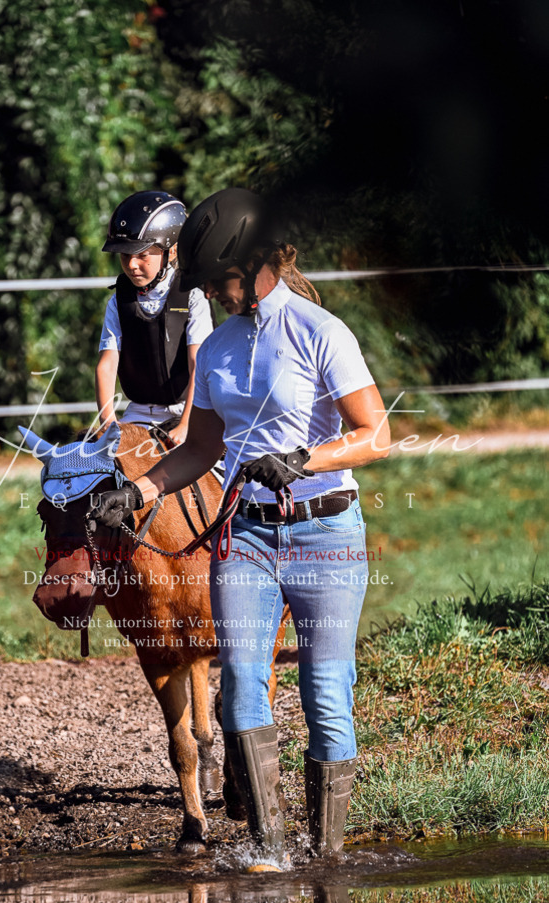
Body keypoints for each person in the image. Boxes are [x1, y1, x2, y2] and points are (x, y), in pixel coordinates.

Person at [91, 188, 390, 866]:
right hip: (246, 536)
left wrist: (304, 458)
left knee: (324, 694)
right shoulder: (222, 345)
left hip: (325, 535)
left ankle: (328, 857)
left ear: (254, 264)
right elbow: (200, 451)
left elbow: (377, 434)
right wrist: (134, 492)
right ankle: (269, 848)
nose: (216, 294)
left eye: (220, 281)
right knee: (241, 691)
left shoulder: (320, 332)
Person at [96, 190, 215, 446]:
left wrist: (185, 423)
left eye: (142, 255)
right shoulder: (118, 301)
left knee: (217, 472)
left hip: (191, 408)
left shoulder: (193, 296)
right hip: (139, 412)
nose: (132, 265)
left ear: (171, 252)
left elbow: (198, 365)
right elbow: (107, 365)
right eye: (125, 256)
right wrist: (108, 422)